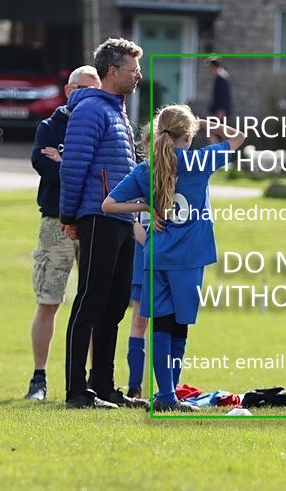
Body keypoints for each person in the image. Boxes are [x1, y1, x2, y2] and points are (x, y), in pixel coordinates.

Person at [102, 105, 245, 412]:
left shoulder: (146, 168)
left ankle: (166, 395)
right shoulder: (198, 161)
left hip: (157, 256)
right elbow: (238, 138)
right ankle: (170, 397)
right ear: (189, 135)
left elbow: (109, 204)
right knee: (179, 328)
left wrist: (146, 209)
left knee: (161, 325)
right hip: (189, 258)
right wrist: (208, 123)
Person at [59, 37, 147, 410]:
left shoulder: (118, 109)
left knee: (114, 306)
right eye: (132, 69)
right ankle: (77, 390)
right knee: (89, 303)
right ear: (113, 72)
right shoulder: (91, 110)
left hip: (121, 220)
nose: (138, 75)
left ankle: (105, 387)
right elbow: (74, 166)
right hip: (97, 217)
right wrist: (69, 216)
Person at [25, 65, 101, 401]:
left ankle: (93, 380)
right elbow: (43, 165)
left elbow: (101, 172)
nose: (93, 97)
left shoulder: (102, 125)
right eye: (85, 89)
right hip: (55, 223)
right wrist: (73, 166)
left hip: (92, 224)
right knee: (48, 301)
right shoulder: (49, 127)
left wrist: (65, 162)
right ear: (70, 91)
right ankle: (38, 379)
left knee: (94, 305)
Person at [125, 121, 156, 400]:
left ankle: (167, 389)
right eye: (151, 142)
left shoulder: (183, 173)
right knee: (140, 320)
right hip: (142, 257)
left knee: (169, 323)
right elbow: (129, 216)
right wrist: (150, 244)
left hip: (171, 261)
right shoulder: (139, 175)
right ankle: (134, 387)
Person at [206, 57, 232, 122]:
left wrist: (222, 109)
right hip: (217, 110)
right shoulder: (219, 77)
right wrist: (210, 110)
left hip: (220, 111)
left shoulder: (222, 78)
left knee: (219, 130)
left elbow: (224, 95)